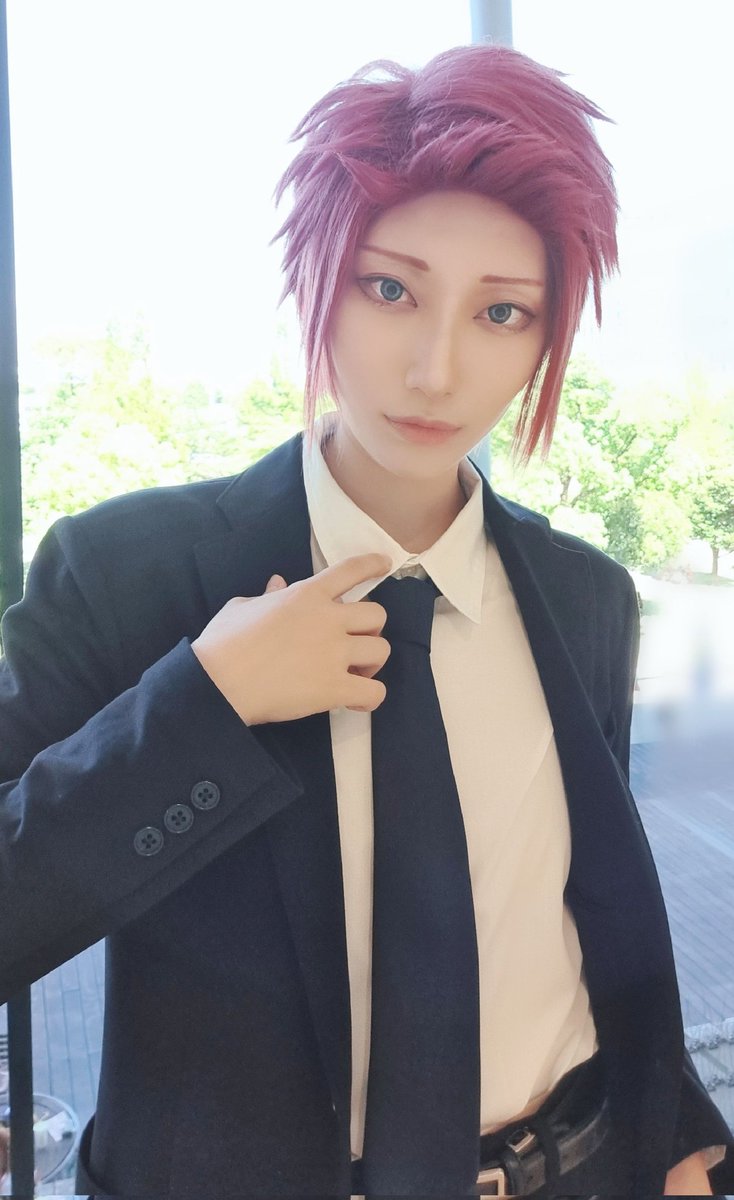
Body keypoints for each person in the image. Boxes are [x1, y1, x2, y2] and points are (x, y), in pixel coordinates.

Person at [0, 43, 731, 1198]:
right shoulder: (126, 572)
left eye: (501, 312)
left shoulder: (580, 594)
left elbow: (583, 903)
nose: (435, 370)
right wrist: (203, 705)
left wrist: (671, 1134)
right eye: (389, 289)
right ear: (317, 280)